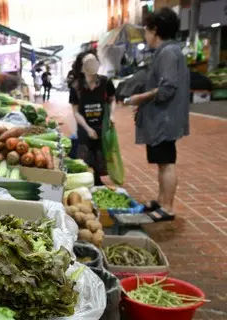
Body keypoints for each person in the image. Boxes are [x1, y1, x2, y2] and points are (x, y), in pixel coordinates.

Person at [127, 7, 189, 222]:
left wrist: (140, 98)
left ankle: (167, 208)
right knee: (163, 163)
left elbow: (168, 87)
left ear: (155, 29)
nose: (146, 35)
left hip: (165, 119)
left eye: (147, 30)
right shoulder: (167, 51)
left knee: (167, 162)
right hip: (162, 117)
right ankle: (161, 200)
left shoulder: (168, 53)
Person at [69, 51, 116, 186]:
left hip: (102, 125)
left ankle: (97, 180)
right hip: (84, 127)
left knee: (100, 153)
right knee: (86, 155)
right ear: (82, 67)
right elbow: (76, 112)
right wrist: (88, 129)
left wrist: (112, 115)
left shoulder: (106, 82)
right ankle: (90, 180)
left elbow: (112, 100)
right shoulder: (76, 87)